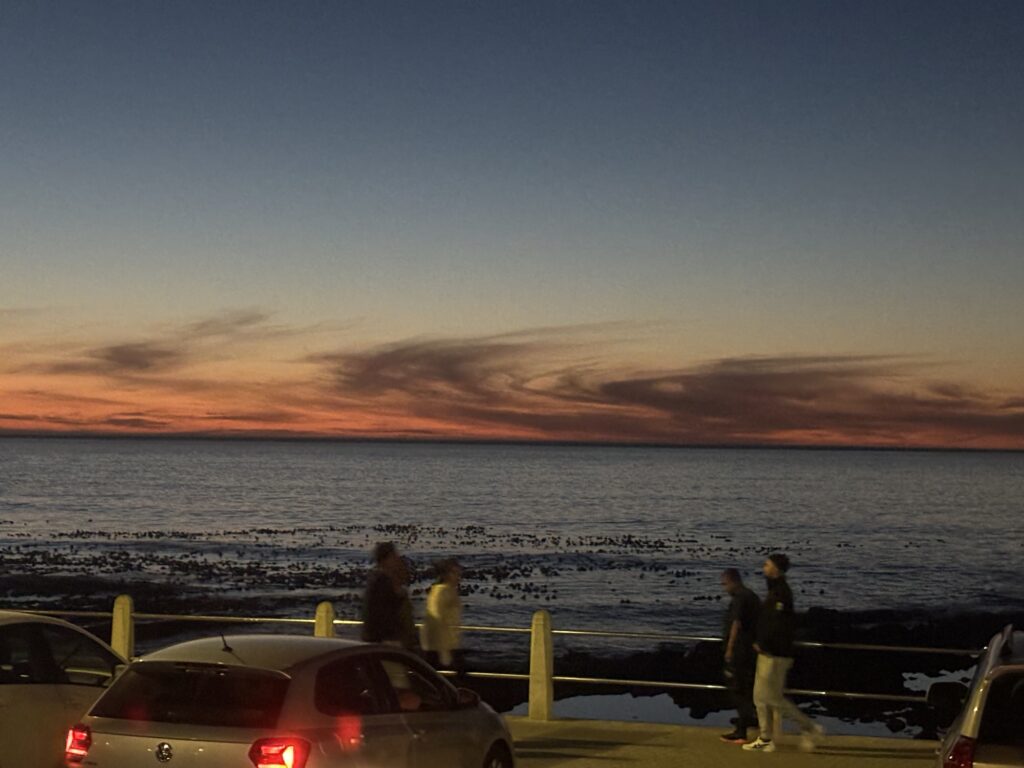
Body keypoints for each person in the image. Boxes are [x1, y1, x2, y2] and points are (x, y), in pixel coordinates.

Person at [742, 553, 824, 753]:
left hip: (773, 653)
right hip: (779, 652)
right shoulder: (778, 590)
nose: (764, 567)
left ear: (776, 569)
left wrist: (762, 642)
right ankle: (771, 736)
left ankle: (802, 728)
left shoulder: (780, 593)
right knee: (771, 697)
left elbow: (776, 623)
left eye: (767, 565)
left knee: (764, 697)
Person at [719, 568, 760, 744]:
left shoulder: (740, 599)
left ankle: (743, 728)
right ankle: (747, 722)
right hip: (749, 650)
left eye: (725, 584)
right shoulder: (752, 596)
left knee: (738, 690)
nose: (724, 588)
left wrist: (729, 648)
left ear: (733, 581)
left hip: (739, 652)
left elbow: (736, 623)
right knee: (746, 689)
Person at [361, 542, 418, 650]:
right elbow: (382, 616)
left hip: (388, 643)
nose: (397, 559)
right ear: (386, 559)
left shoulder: (380, 582)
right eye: (394, 556)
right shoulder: (381, 584)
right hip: (388, 644)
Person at [420, 558, 464, 672]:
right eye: (454, 572)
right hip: (439, 650)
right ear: (445, 574)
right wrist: (444, 653)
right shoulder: (441, 591)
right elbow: (436, 620)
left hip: (447, 646)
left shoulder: (449, 590)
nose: (458, 576)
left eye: (458, 572)